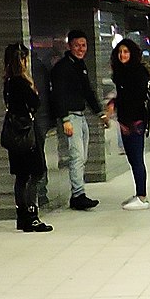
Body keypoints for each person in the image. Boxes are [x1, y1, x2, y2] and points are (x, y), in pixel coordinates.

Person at [46, 28, 99, 210]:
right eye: (77, 45)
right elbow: (58, 95)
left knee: (82, 156)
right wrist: (65, 119)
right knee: (76, 157)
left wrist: (100, 113)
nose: (81, 49)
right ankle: (78, 195)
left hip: (81, 116)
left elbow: (88, 91)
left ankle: (78, 193)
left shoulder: (80, 65)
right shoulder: (62, 68)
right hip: (71, 117)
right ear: (69, 46)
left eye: (83, 45)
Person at [2, 44, 52, 233]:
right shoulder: (20, 82)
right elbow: (35, 103)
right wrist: (32, 87)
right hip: (26, 133)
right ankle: (32, 215)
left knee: (21, 176)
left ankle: (22, 216)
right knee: (35, 172)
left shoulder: (7, 82)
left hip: (14, 134)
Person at [105, 37, 150, 209]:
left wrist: (128, 122)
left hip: (136, 121)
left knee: (136, 158)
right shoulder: (121, 72)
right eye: (120, 52)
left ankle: (142, 196)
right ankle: (139, 193)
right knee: (133, 159)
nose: (122, 55)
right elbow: (123, 97)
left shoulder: (138, 72)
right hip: (126, 120)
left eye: (126, 51)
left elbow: (135, 99)